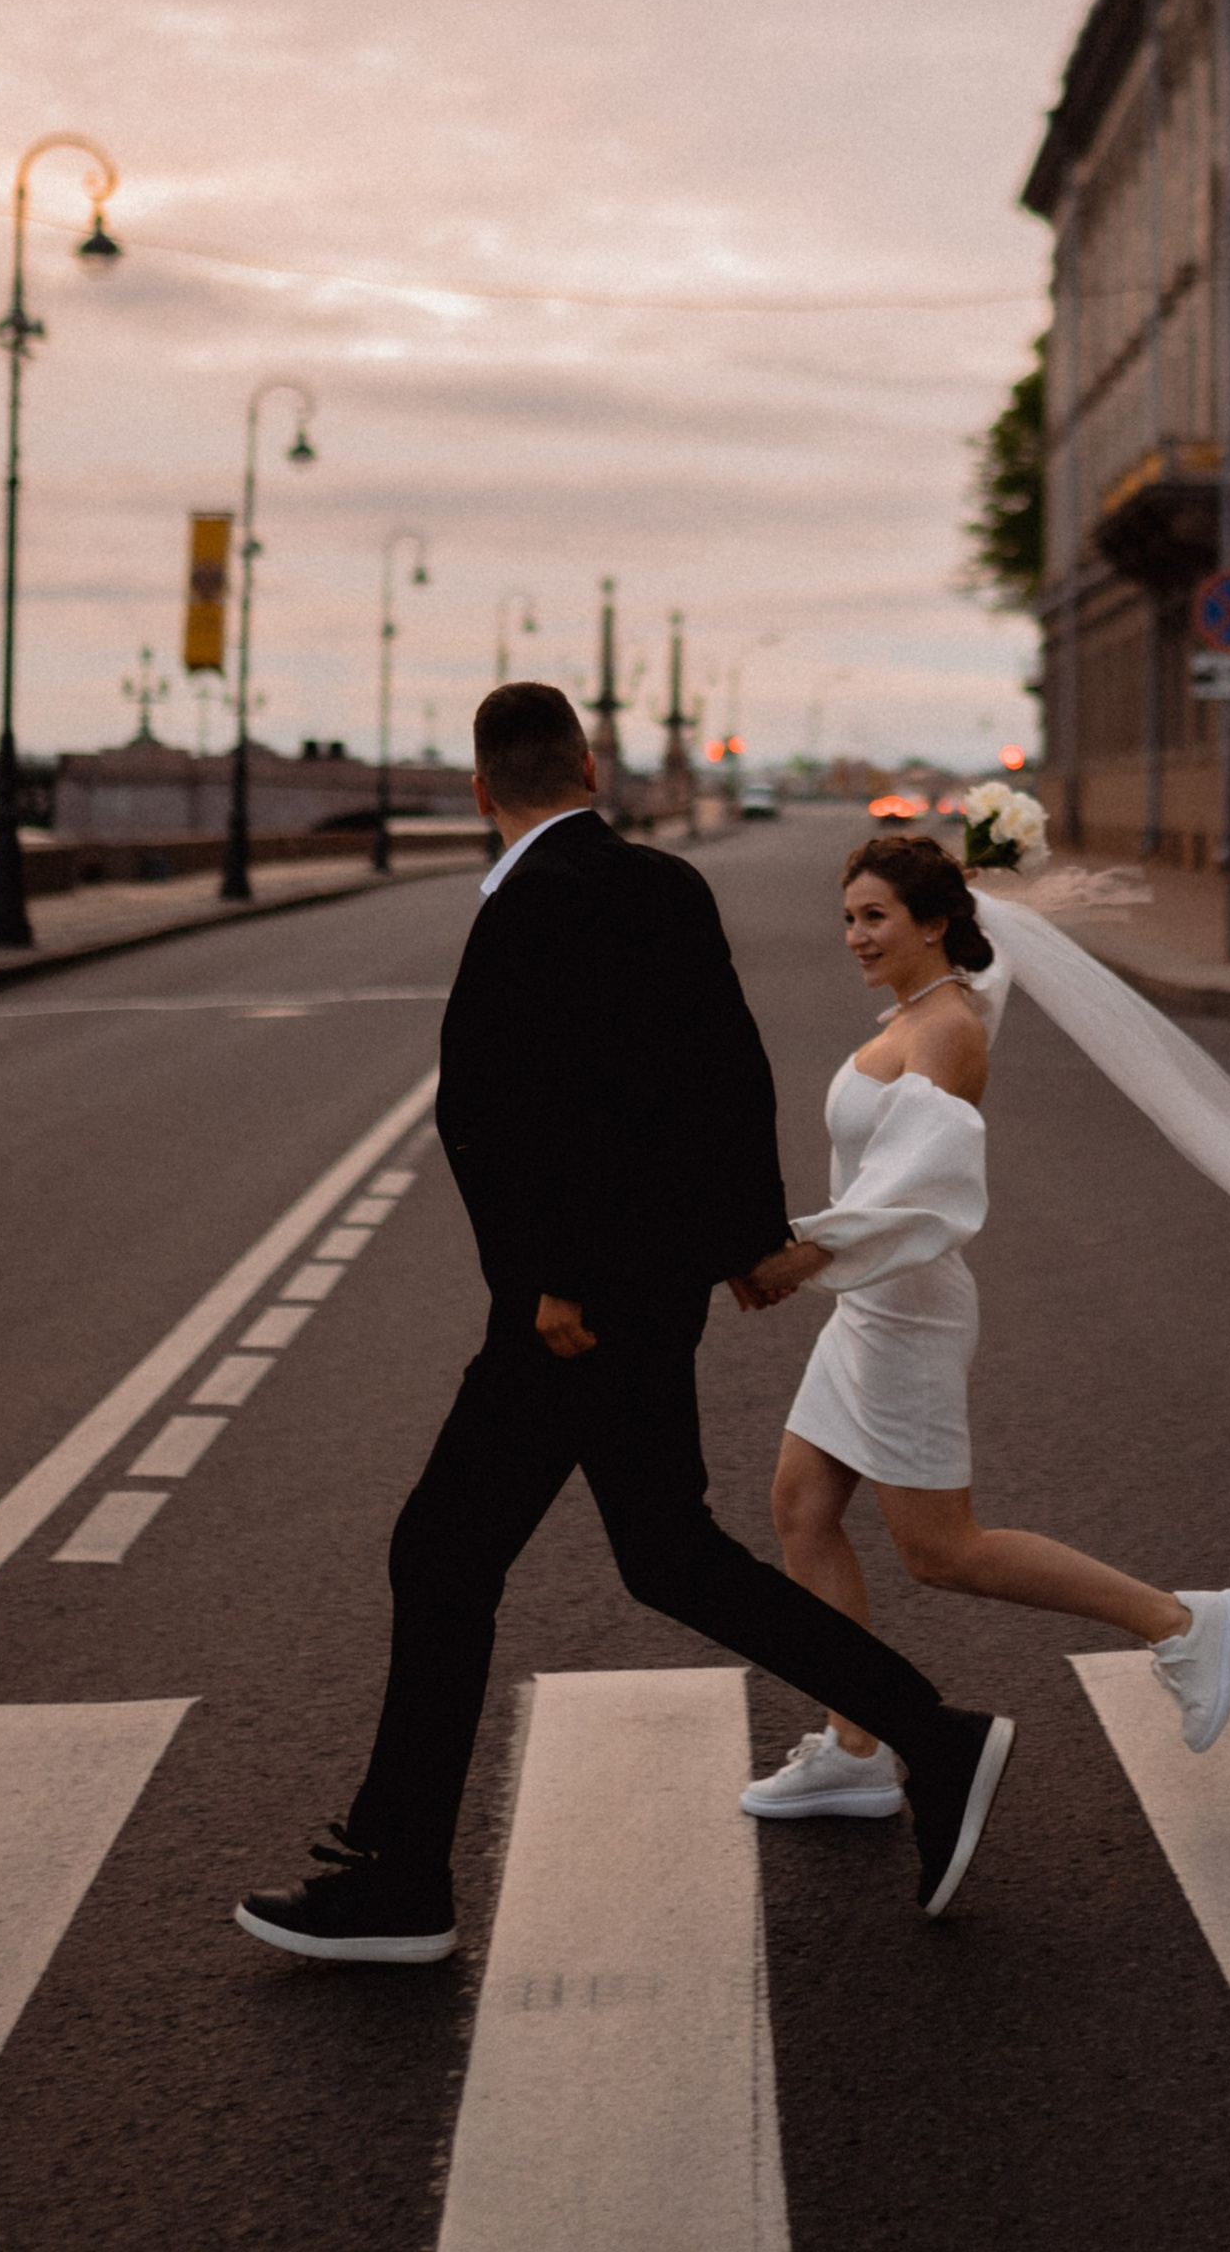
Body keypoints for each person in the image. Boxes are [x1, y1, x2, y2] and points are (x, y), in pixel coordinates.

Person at [235, 687, 1015, 1962]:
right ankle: (934, 1733)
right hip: (638, 1290)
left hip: (568, 1311)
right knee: (663, 1551)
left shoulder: (524, 905)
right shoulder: (666, 884)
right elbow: (723, 1067)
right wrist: (745, 1239)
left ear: (481, 791)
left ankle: (402, 1883)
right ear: (591, 766)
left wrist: (549, 1277)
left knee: (443, 1552)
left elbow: (503, 1116)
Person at [735, 831, 1230, 1825]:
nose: (854, 935)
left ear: (933, 922)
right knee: (801, 1504)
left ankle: (1180, 1621)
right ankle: (854, 1746)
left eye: (875, 915)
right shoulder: (928, 1005)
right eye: (848, 915)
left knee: (943, 1549)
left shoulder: (947, 1030)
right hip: (869, 1304)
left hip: (904, 1309)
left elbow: (923, 1174)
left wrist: (810, 1249)